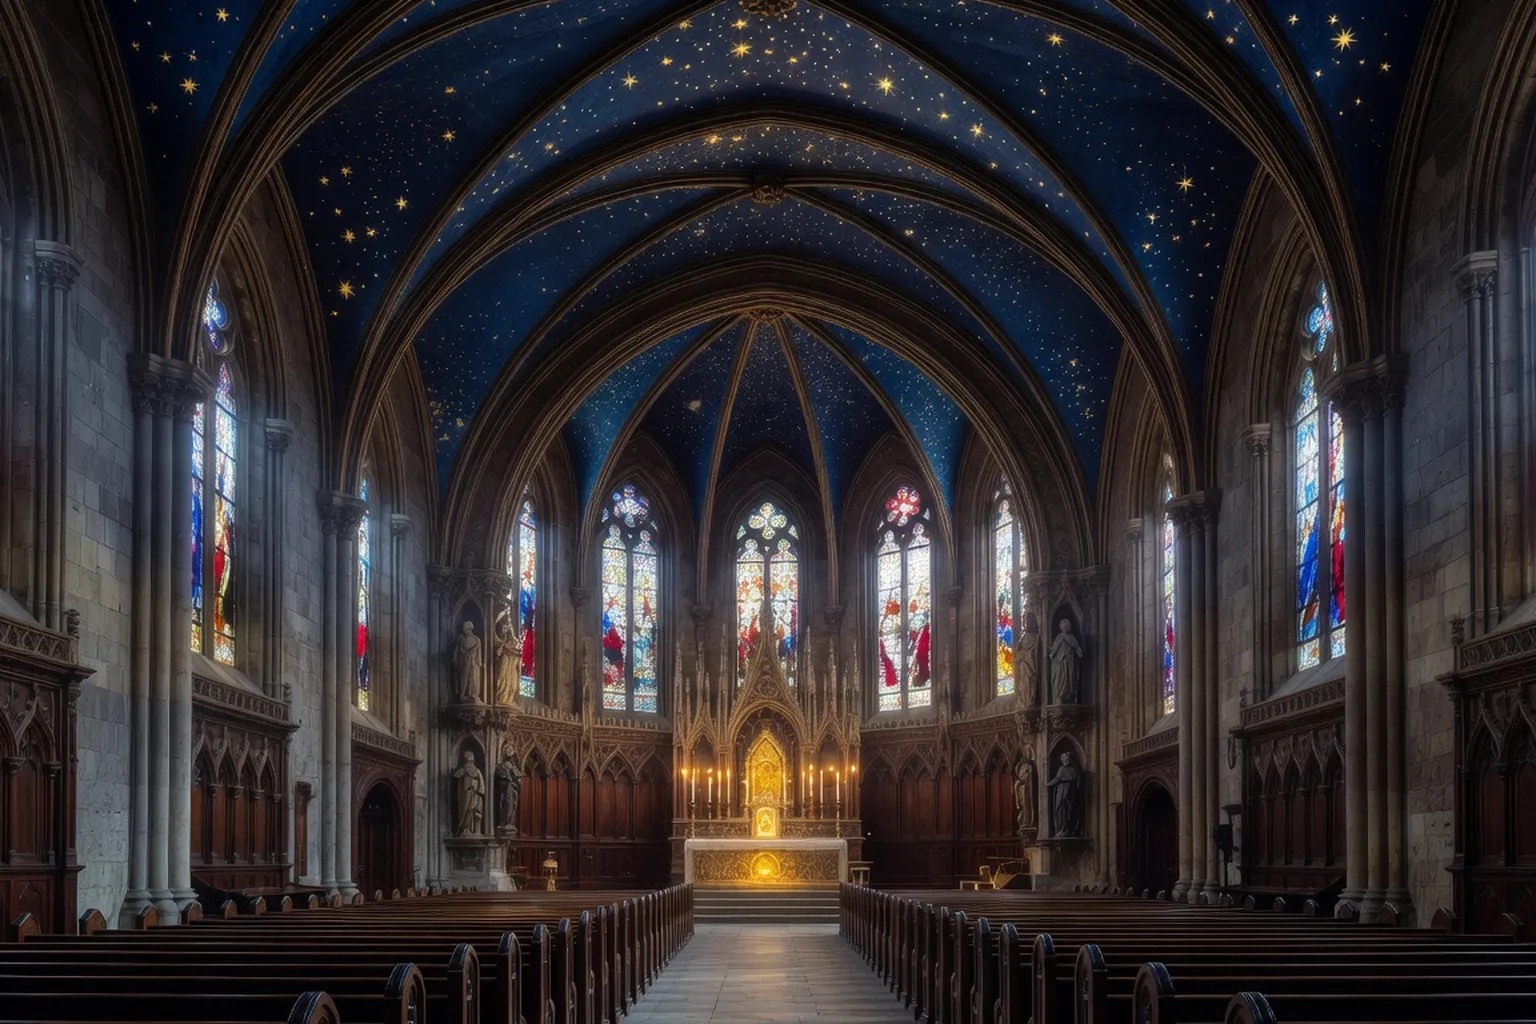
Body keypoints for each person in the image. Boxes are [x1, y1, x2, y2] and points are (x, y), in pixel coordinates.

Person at [1046, 750, 1084, 838]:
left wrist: (1047, 784)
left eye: (1063, 758)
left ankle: (1061, 829)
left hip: (1063, 791)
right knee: (1069, 810)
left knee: (1060, 809)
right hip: (1071, 791)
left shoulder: (1063, 769)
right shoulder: (1075, 770)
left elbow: (1057, 779)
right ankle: (1068, 829)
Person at [453, 749, 485, 836]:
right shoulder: (462, 770)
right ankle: (463, 829)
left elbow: (481, 784)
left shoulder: (477, 771)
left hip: (474, 794)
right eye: (468, 761)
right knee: (465, 810)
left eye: (471, 761)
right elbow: (456, 776)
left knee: (472, 809)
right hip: (465, 794)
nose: (470, 764)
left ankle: (471, 829)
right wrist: (464, 772)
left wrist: (478, 790)